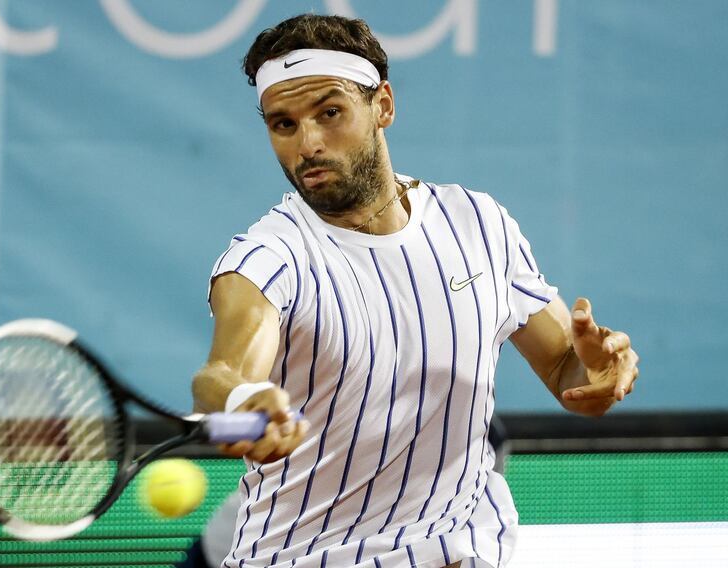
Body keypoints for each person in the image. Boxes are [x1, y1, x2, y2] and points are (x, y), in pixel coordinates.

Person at [191, 14, 639, 568]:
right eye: (283, 125)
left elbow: (565, 372)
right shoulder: (267, 258)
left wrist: (598, 372)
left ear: (383, 105)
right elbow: (221, 378)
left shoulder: (481, 223)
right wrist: (241, 404)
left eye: (330, 113)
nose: (307, 144)